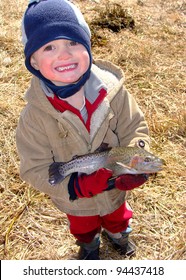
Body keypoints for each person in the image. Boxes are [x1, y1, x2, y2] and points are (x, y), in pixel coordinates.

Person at [16, 0, 150, 260]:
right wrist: (74, 187)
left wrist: (138, 160)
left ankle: (119, 234)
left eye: (73, 43)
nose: (64, 54)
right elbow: (34, 168)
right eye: (49, 47)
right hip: (74, 200)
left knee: (117, 216)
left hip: (114, 189)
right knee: (83, 227)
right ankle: (89, 244)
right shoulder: (34, 117)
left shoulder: (113, 92)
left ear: (88, 46)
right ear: (33, 60)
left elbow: (136, 127)